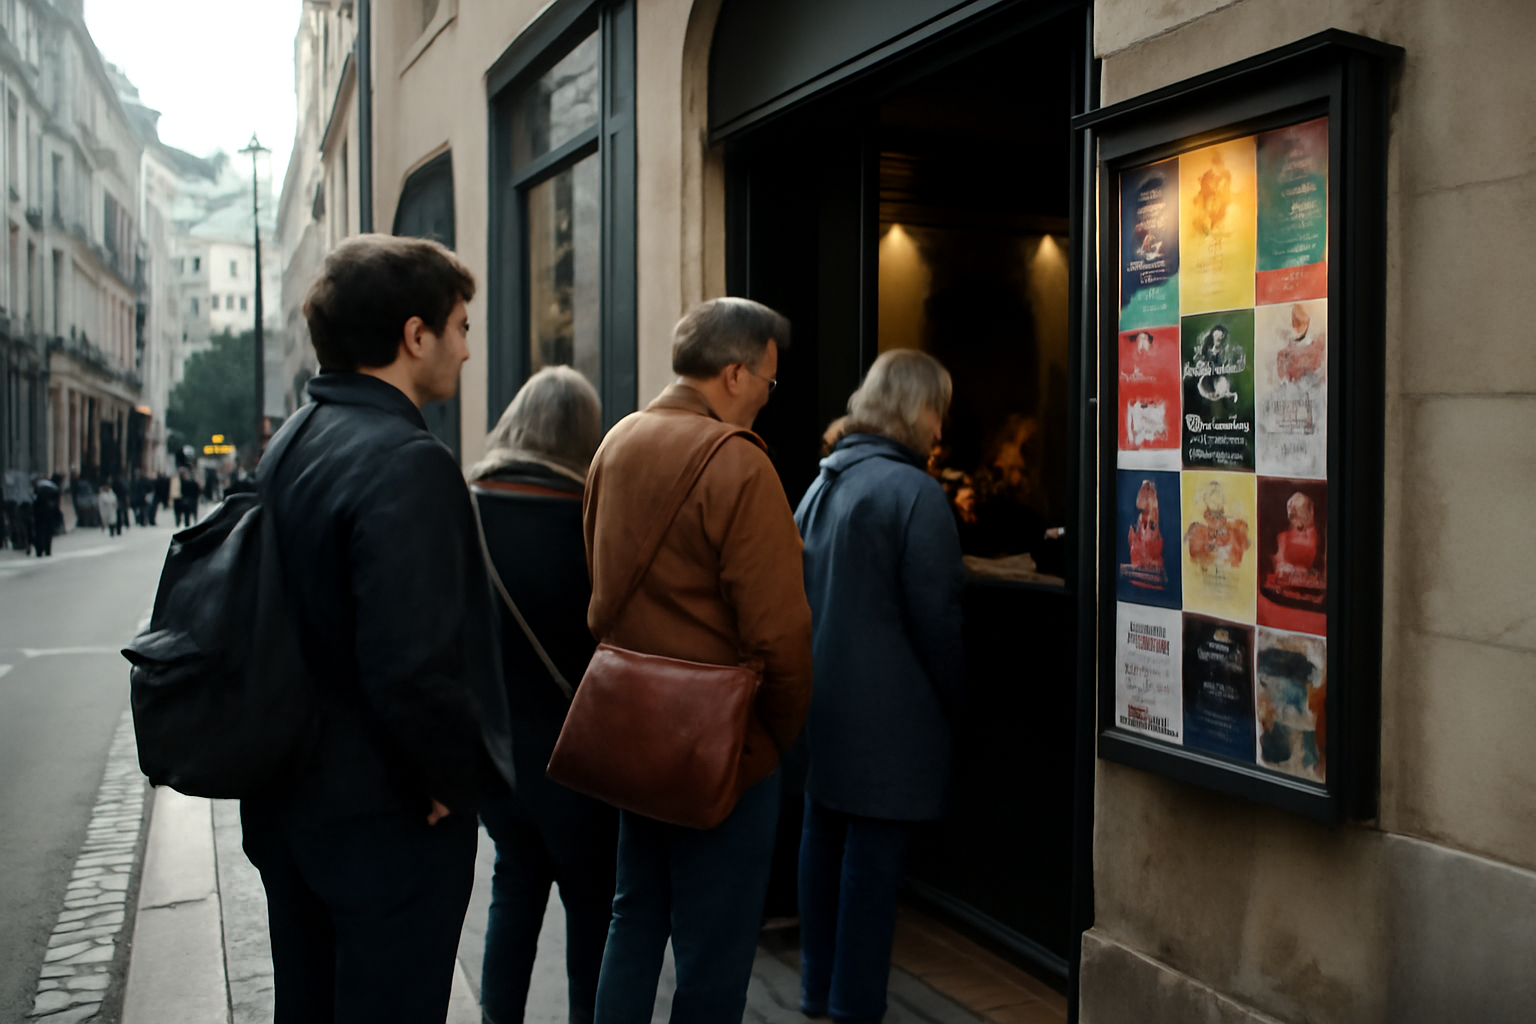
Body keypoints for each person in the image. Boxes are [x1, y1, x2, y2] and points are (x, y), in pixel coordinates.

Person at [240, 233, 515, 1024]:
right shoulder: (407, 459)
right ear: (414, 335)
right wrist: (447, 780)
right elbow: (412, 666)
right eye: (461, 326)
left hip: (295, 803)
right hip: (381, 822)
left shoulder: (294, 438)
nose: (467, 350)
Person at [585, 297, 814, 1023]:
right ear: (736, 373)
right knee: (714, 958)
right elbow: (780, 637)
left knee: (634, 920)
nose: (768, 400)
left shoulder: (615, 443)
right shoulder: (740, 466)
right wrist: (769, 741)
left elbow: (595, 593)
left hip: (631, 734)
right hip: (722, 747)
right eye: (770, 384)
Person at [793, 350, 966, 1023]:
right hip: (892, 723)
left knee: (823, 846)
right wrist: (957, 703)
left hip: (825, 709)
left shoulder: (823, 482)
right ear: (915, 409)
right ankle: (855, 1006)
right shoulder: (915, 494)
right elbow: (940, 619)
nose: (940, 428)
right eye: (937, 410)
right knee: (869, 874)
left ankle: (814, 989)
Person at [468, 367, 617, 1024]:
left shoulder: (466, 510)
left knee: (514, 889)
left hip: (498, 753)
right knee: (592, 908)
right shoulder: (591, 519)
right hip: (581, 755)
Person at [32, 476, 60, 557]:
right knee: (47, 532)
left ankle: (40, 550)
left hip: (40, 513)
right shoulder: (52, 487)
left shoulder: (40, 487)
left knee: (40, 531)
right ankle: (47, 550)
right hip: (48, 512)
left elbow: (35, 500)